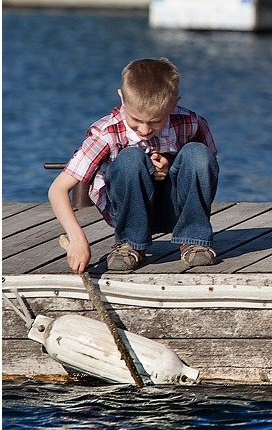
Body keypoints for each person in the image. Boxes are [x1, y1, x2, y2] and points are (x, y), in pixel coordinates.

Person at [50, 58, 219, 272]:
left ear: (174, 105)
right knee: (130, 158)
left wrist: (171, 165)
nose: (145, 129)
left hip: (176, 209)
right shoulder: (106, 133)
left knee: (198, 154)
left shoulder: (192, 123)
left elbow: (205, 170)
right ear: (122, 97)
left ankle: (193, 239)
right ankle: (130, 244)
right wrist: (76, 237)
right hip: (125, 211)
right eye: (136, 119)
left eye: (156, 121)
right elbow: (58, 189)